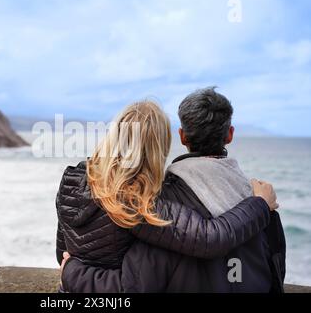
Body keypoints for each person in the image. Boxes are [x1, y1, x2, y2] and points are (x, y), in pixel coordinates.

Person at [56, 93, 283, 292]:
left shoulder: (73, 180)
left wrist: (70, 271)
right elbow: (210, 237)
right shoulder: (141, 203)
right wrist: (260, 204)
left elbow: (63, 252)